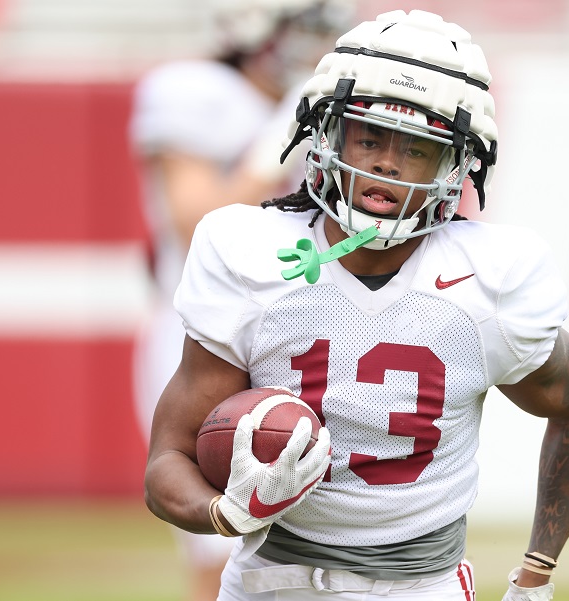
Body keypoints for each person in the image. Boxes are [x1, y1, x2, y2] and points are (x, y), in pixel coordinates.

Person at [142, 8, 569, 601]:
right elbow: (167, 463)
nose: (388, 161)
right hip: (272, 582)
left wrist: (537, 571)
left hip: (424, 585)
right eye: (369, 136)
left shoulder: (489, 278)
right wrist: (224, 515)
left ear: (458, 163)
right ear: (325, 133)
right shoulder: (253, 253)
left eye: (418, 147)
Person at [129, 1, 355, 600]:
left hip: (311, 331)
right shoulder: (197, 92)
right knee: (229, 543)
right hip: (210, 334)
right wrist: (285, 130)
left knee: (330, 546)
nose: (319, 45)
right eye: (305, 29)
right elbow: (199, 221)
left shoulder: (336, 109)